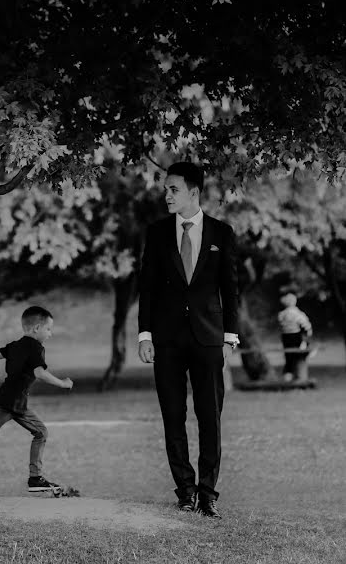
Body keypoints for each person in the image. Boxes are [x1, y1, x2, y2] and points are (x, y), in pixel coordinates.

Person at [138, 162, 239, 519]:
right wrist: (145, 334)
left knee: (210, 417)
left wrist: (230, 337)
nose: (167, 195)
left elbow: (231, 288)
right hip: (166, 340)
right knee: (173, 416)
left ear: (194, 192)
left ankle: (209, 493)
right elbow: (147, 287)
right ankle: (185, 490)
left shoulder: (222, 233)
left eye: (173, 189)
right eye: (166, 189)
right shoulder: (157, 232)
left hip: (209, 339)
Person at [0, 306, 73, 492]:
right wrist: (62, 383)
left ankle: (35, 479)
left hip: (12, 400)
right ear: (37, 328)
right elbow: (39, 372)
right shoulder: (36, 348)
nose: (50, 334)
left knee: (40, 432)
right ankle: (35, 479)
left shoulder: (15, 345)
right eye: (48, 329)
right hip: (12, 403)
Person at [277, 292, 313, 382]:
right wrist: (307, 336)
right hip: (296, 337)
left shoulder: (281, 314)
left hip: (285, 338)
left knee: (289, 358)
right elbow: (307, 326)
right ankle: (300, 377)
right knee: (299, 356)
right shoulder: (297, 313)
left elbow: (281, 325)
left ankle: (288, 377)